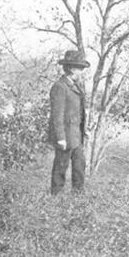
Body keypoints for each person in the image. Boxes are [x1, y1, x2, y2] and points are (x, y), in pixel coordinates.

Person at [48, 50, 90, 195]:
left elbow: (78, 111)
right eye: (80, 68)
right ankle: (56, 196)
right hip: (65, 136)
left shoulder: (76, 85)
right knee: (60, 167)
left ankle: (78, 196)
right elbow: (57, 116)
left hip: (76, 135)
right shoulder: (59, 87)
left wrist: (84, 129)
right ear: (72, 69)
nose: (82, 71)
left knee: (79, 166)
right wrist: (60, 137)